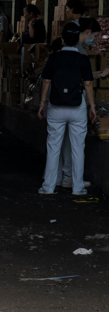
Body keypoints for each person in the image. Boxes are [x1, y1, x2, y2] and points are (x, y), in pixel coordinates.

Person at [38, 23, 96, 196]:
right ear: (78, 38)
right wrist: (91, 106)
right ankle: (77, 188)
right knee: (78, 148)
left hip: (56, 107)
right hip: (77, 107)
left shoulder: (54, 59)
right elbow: (88, 84)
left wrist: (42, 104)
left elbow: (46, 81)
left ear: (62, 39)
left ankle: (48, 186)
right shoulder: (83, 59)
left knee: (53, 146)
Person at [54, 18, 106, 188]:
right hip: (75, 101)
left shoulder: (63, 51)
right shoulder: (79, 52)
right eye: (95, 36)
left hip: (58, 101)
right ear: (87, 32)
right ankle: (71, 178)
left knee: (58, 142)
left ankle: (57, 177)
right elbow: (87, 80)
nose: (95, 40)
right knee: (74, 143)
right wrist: (92, 105)